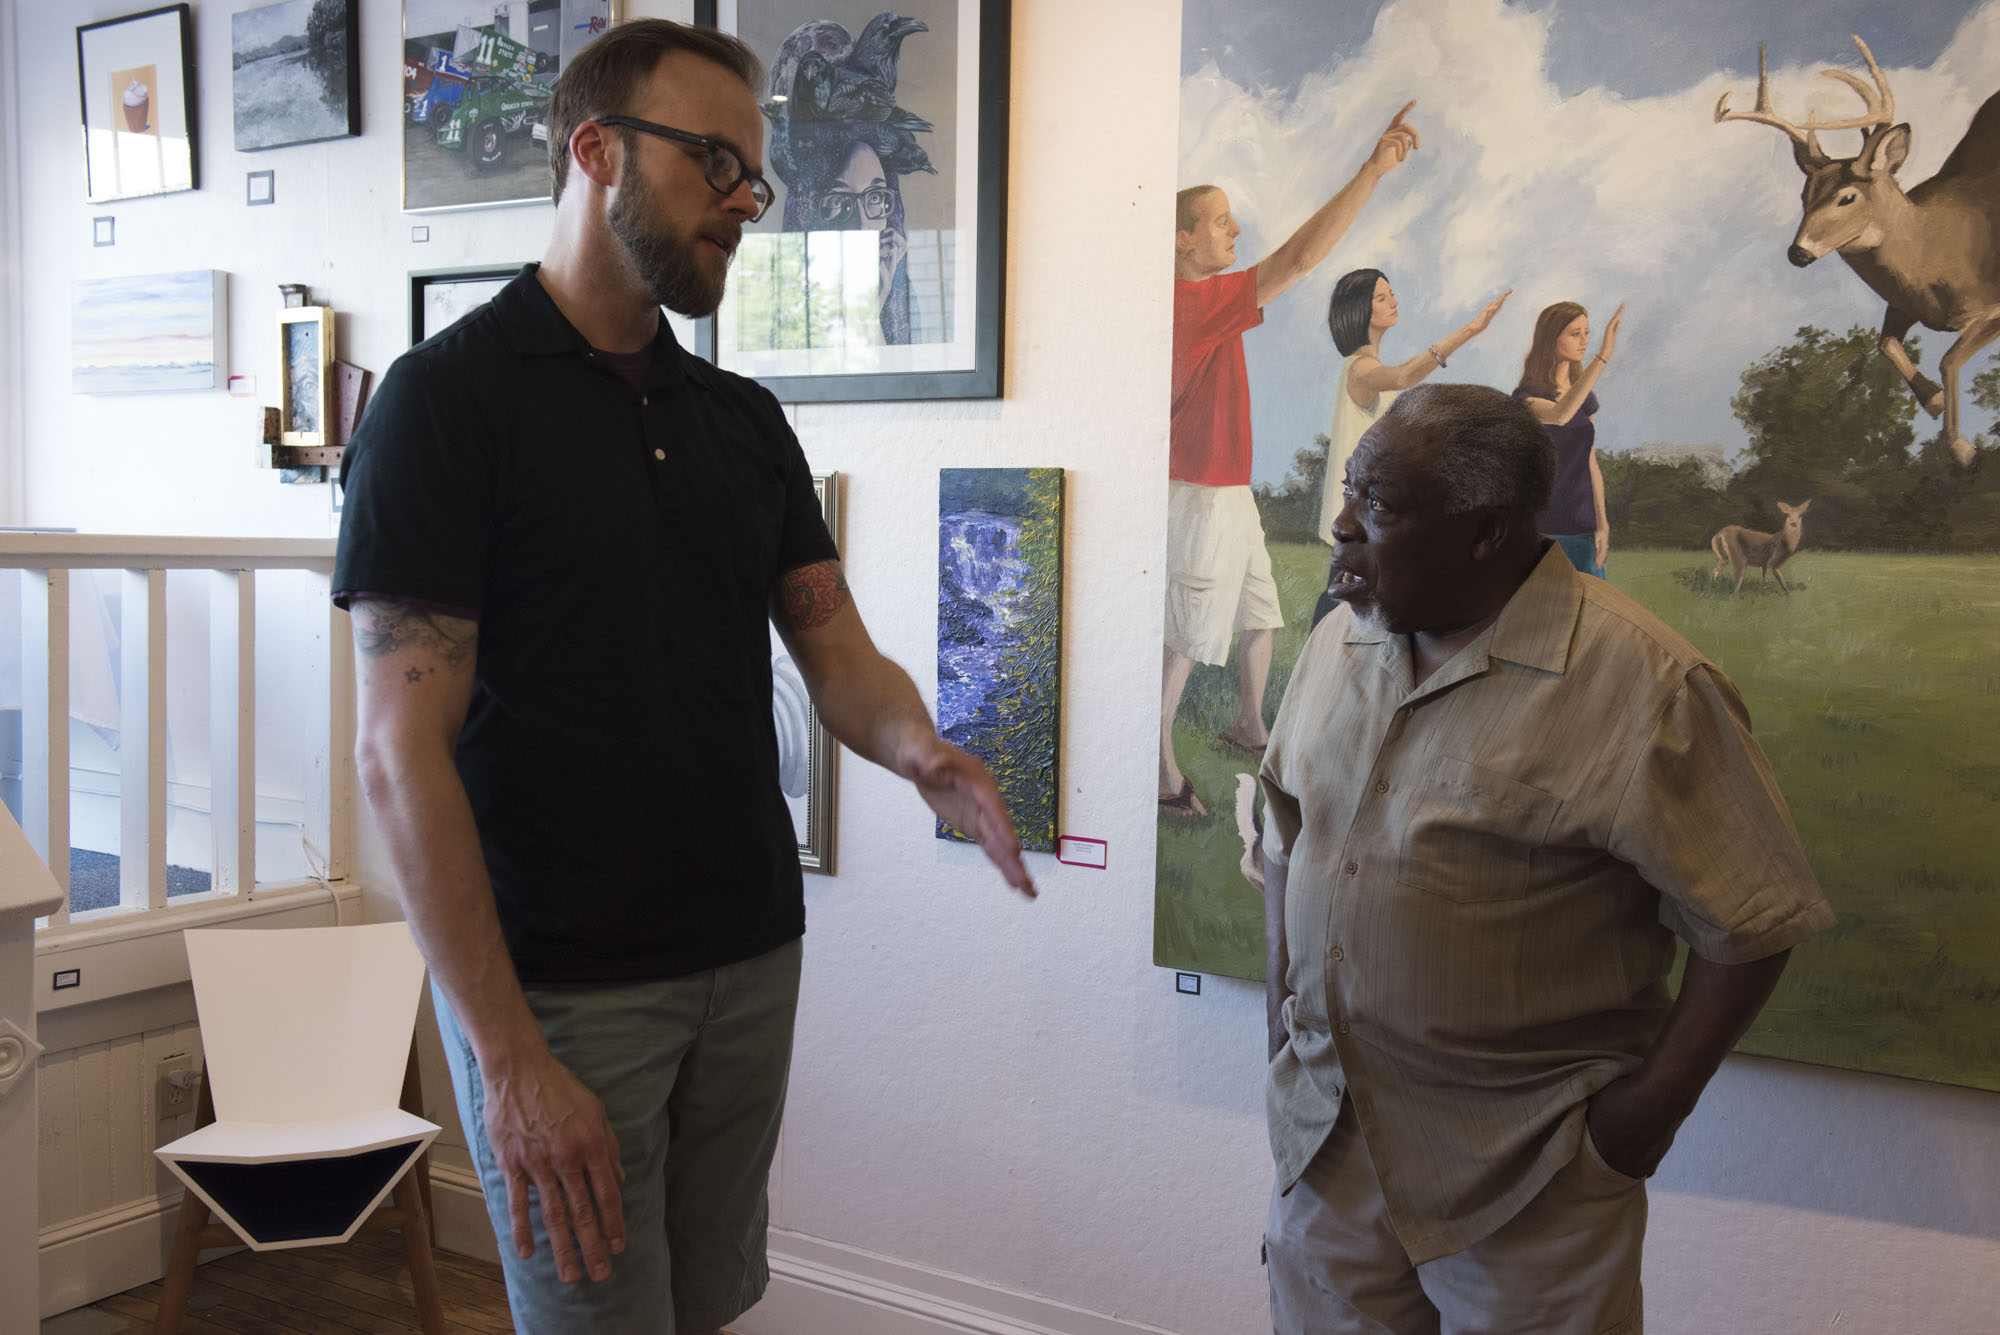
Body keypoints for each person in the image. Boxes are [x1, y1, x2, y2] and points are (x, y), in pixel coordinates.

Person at [333, 21, 1034, 1335]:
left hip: (751, 954)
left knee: (705, 1305)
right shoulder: (447, 402)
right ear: (595, 150)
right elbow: (396, 750)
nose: (745, 202)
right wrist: (506, 1058)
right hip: (560, 991)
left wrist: (923, 749)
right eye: (717, 159)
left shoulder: (742, 422)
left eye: (755, 176)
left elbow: (837, 650)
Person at [1259, 383, 1834, 1334]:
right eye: (1352, 491)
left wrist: (1642, 1120)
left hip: (1528, 1173)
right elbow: (1284, 827)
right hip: (1328, 1139)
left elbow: (1755, 921)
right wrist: (1280, 1013)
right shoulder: (1338, 640)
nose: (1342, 526)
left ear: (1485, 532)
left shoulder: (1645, 683)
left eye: (1382, 506)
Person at [1161, 104, 1420, 820]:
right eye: (1219, 221)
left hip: (1229, 489)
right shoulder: (1189, 300)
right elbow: (1301, 260)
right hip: (1199, 492)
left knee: (1261, 613)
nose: (1235, 231)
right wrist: (1371, 171)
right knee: (1185, 635)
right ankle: (1157, 770)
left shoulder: (1201, 298)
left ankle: (1249, 721)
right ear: (1182, 240)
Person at [1310, 269, 1509, 626]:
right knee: (1342, 605)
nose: (1394, 302)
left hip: (1368, 506)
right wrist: (1470, 330)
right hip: (1359, 510)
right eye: (1382, 297)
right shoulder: (1360, 369)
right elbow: (1405, 377)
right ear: (1360, 310)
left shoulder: (1369, 368)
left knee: (1354, 600)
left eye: (1392, 294)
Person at [1515, 299, 1624, 578]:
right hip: (1542, 528)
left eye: (1586, 333)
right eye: (1575, 334)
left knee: (1590, 612)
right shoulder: (1527, 398)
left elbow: (1591, 462)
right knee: (1545, 614)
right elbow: (1561, 415)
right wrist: (1603, 356)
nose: (1584, 341)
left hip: (1583, 526)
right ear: (1551, 338)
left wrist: (1602, 524)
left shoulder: (1585, 399)